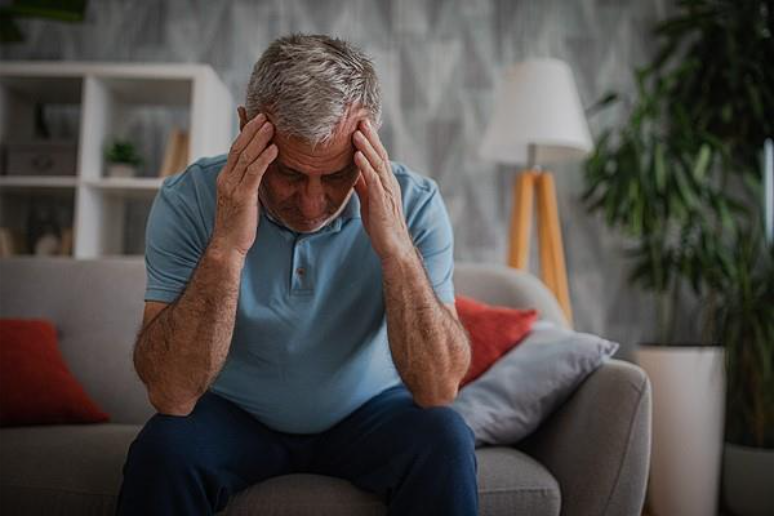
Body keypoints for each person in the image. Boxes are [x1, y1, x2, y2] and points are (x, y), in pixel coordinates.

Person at [117, 34, 477, 516]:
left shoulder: (416, 202)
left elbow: (438, 389)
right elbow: (171, 394)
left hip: (368, 414)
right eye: (288, 173)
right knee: (163, 450)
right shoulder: (188, 199)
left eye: (334, 176)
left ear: (369, 141)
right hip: (234, 416)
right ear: (246, 128)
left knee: (445, 438)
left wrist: (395, 249)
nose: (311, 205)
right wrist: (226, 246)